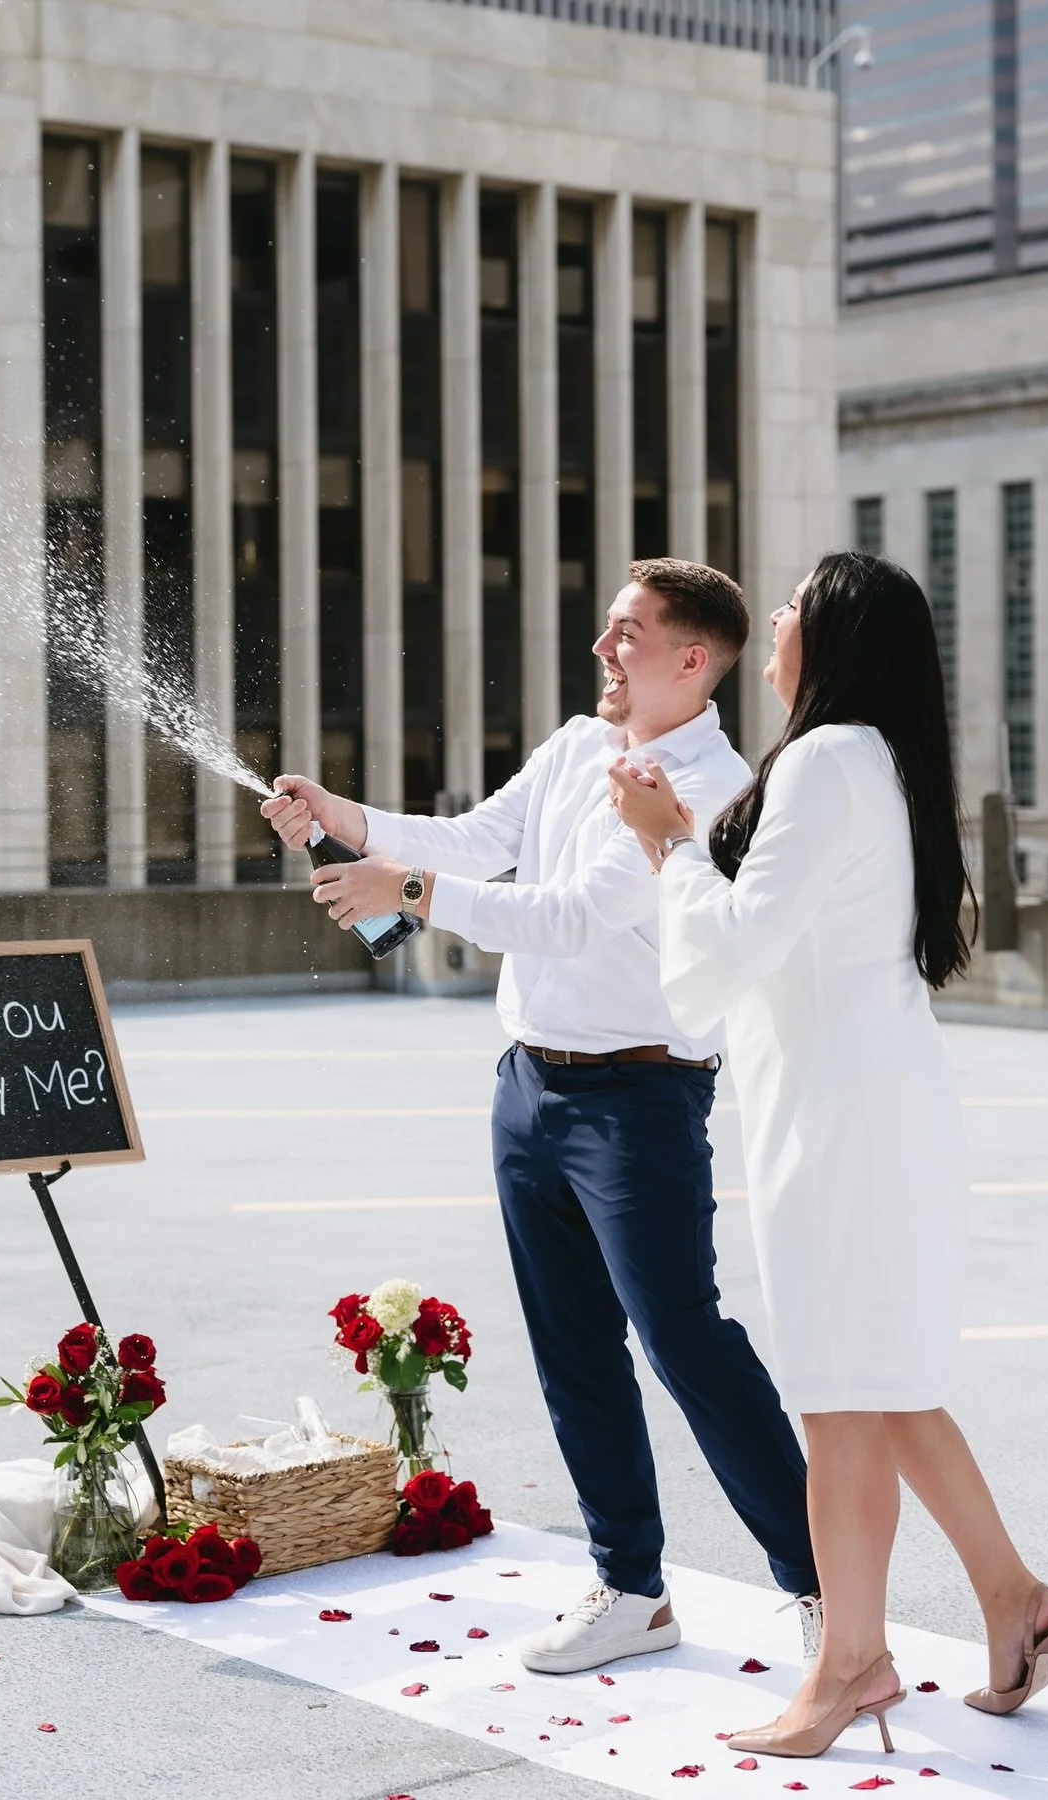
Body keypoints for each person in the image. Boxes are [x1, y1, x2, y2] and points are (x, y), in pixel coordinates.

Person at [262, 558, 821, 1674]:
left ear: (692, 660)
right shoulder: (577, 746)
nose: (606, 650)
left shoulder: (711, 787)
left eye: (629, 633)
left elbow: (571, 917)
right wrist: (349, 821)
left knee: (686, 1341)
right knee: (574, 1348)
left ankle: (821, 1587)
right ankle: (631, 1588)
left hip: (641, 1097)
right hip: (529, 1087)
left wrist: (402, 892)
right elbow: (475, 839)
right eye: (610, 629)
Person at [609, 550, 1048, 1759]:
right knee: (883, 1385)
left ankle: (849, 1667)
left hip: (836, 1124)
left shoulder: (824, 760)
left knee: (837, 1399)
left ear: (829, 638)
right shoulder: (874, 760)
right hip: (874, 1107)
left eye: (788, 608)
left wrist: (668, 843)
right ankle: (1009, 1601)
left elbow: (743, 949)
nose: (772, 621)